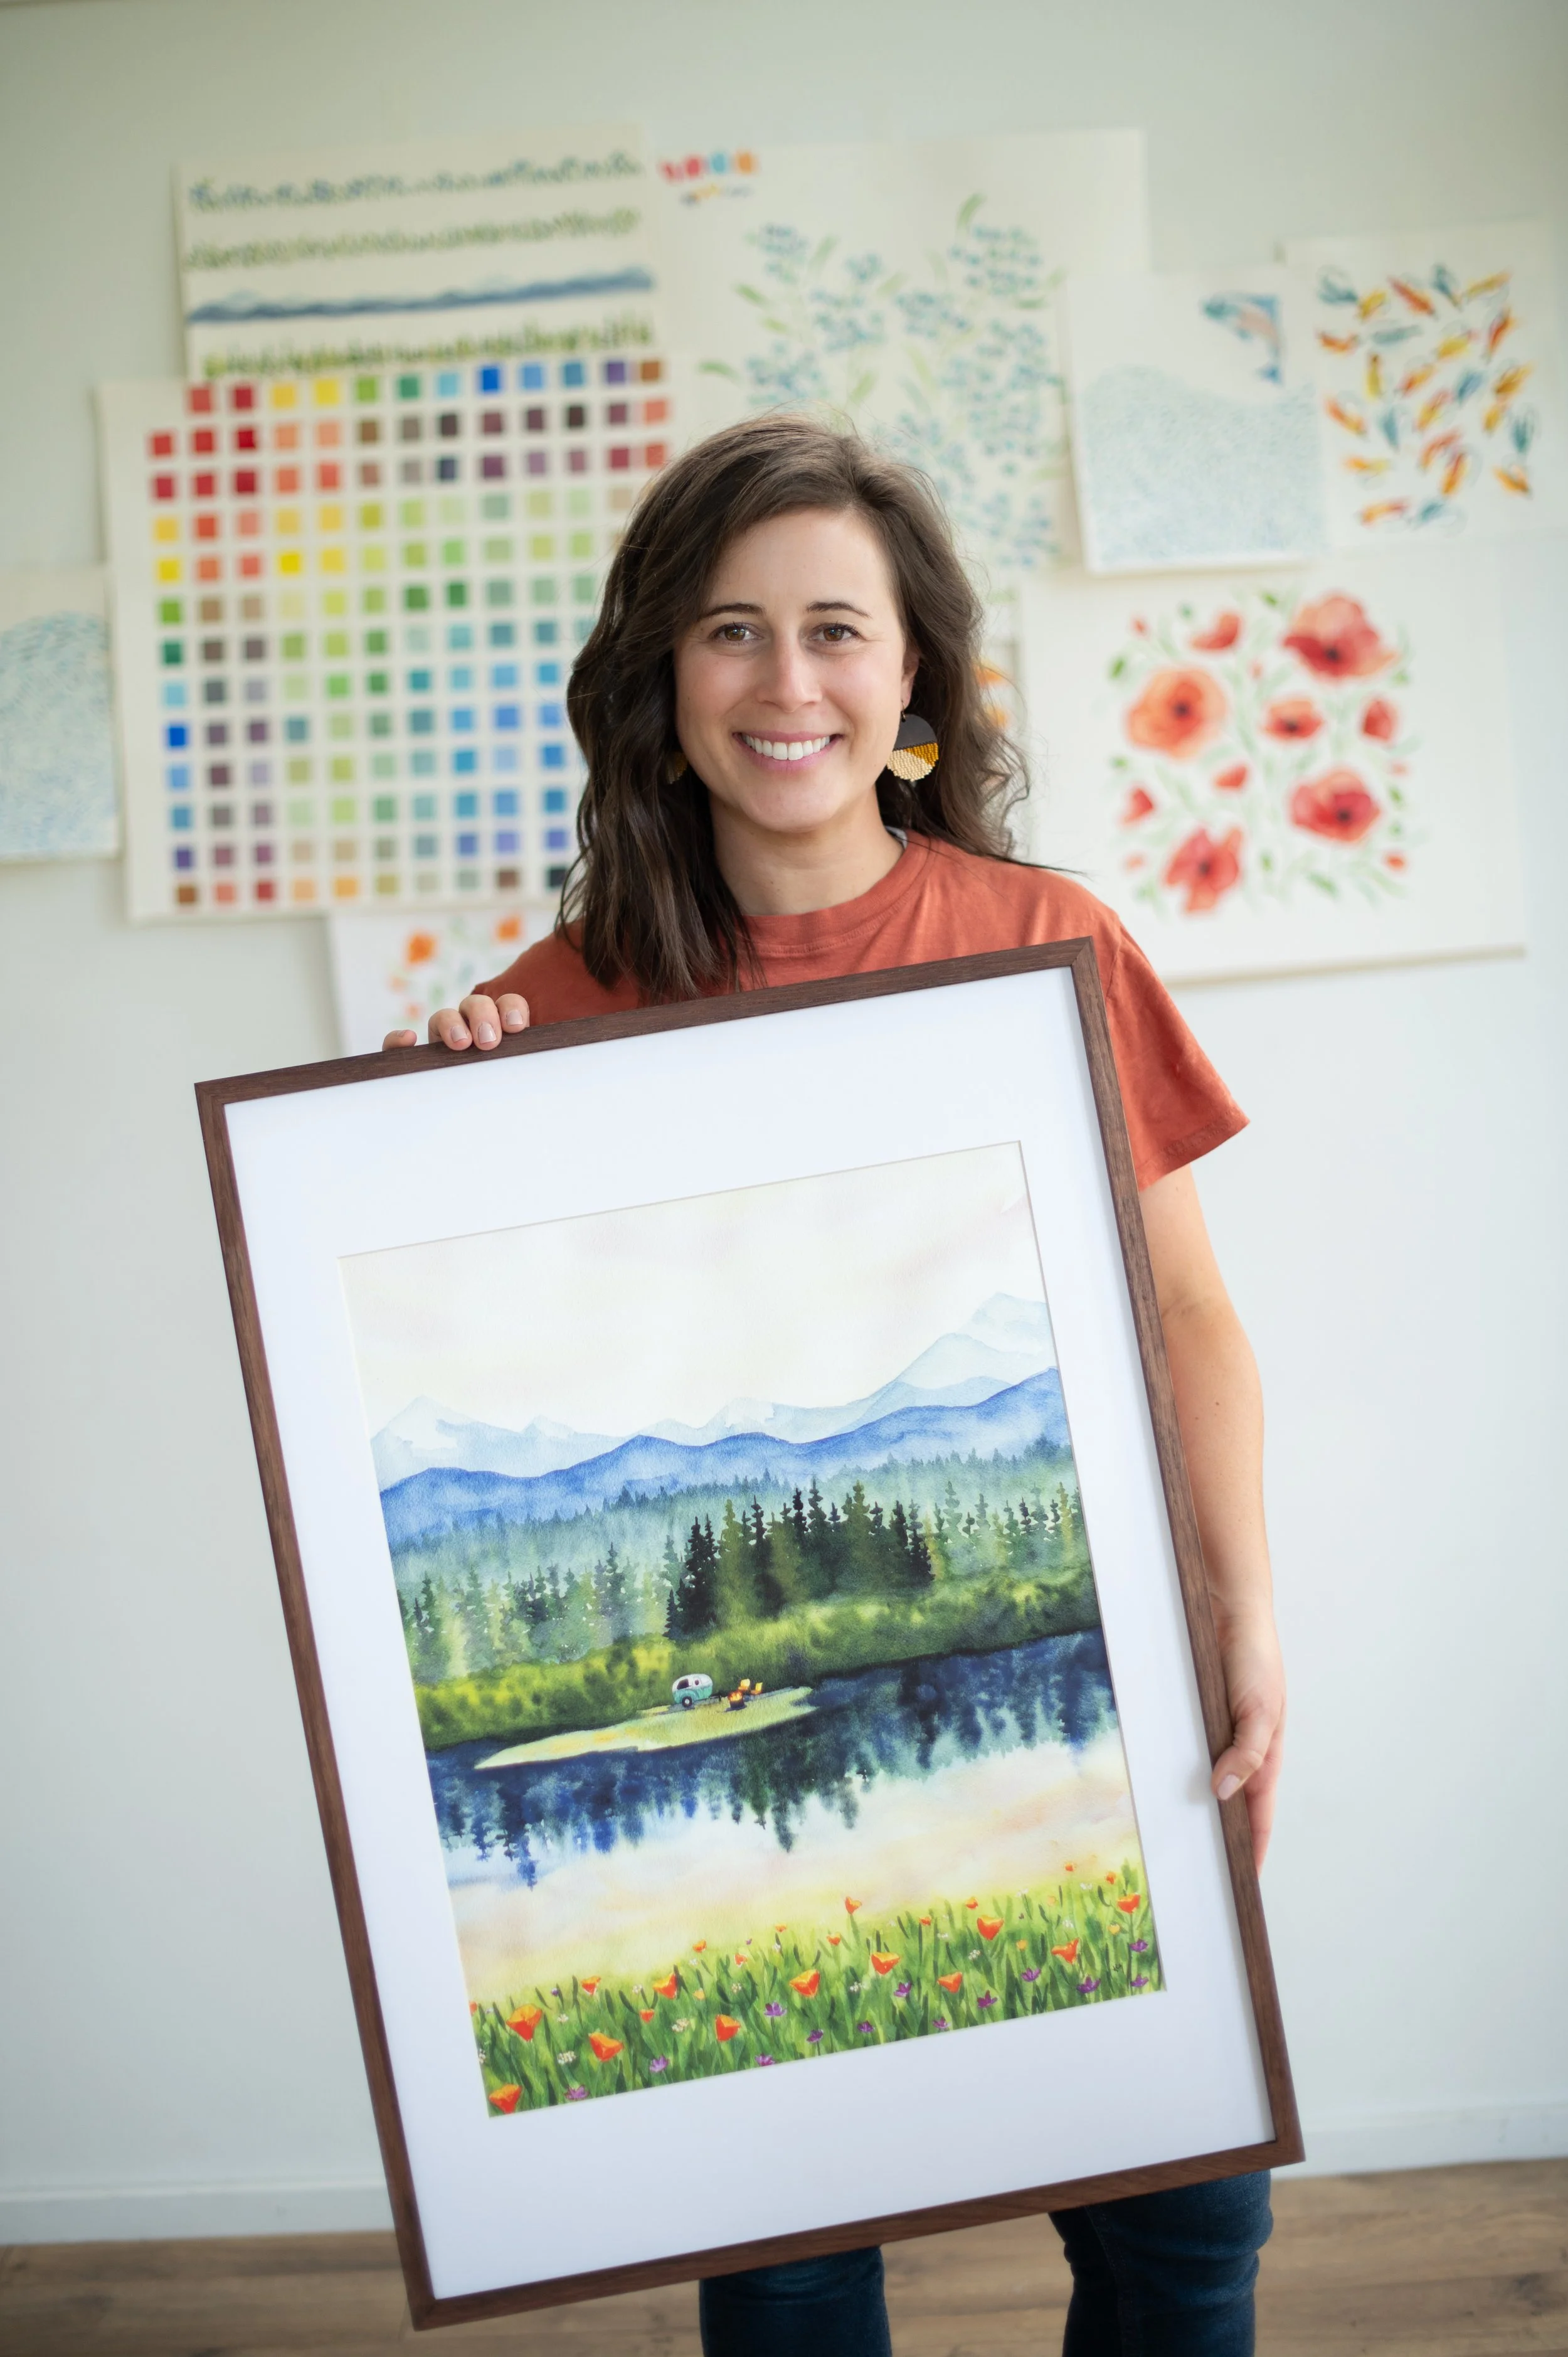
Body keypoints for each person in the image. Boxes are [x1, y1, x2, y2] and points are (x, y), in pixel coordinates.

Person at [386, 415, 1285, 2357]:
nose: (783, 682)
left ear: (911, 687)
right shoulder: (553, 1008)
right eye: (727, 631)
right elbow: (479, 1351)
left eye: (832, 630)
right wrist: (421, 1132)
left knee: (1187, 2222)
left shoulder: (1046, 940)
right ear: (658, 683)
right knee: (788, 2263)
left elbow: (1184, 1318)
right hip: (725, 1807)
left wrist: (1244, 1612)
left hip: (1112, 1672)